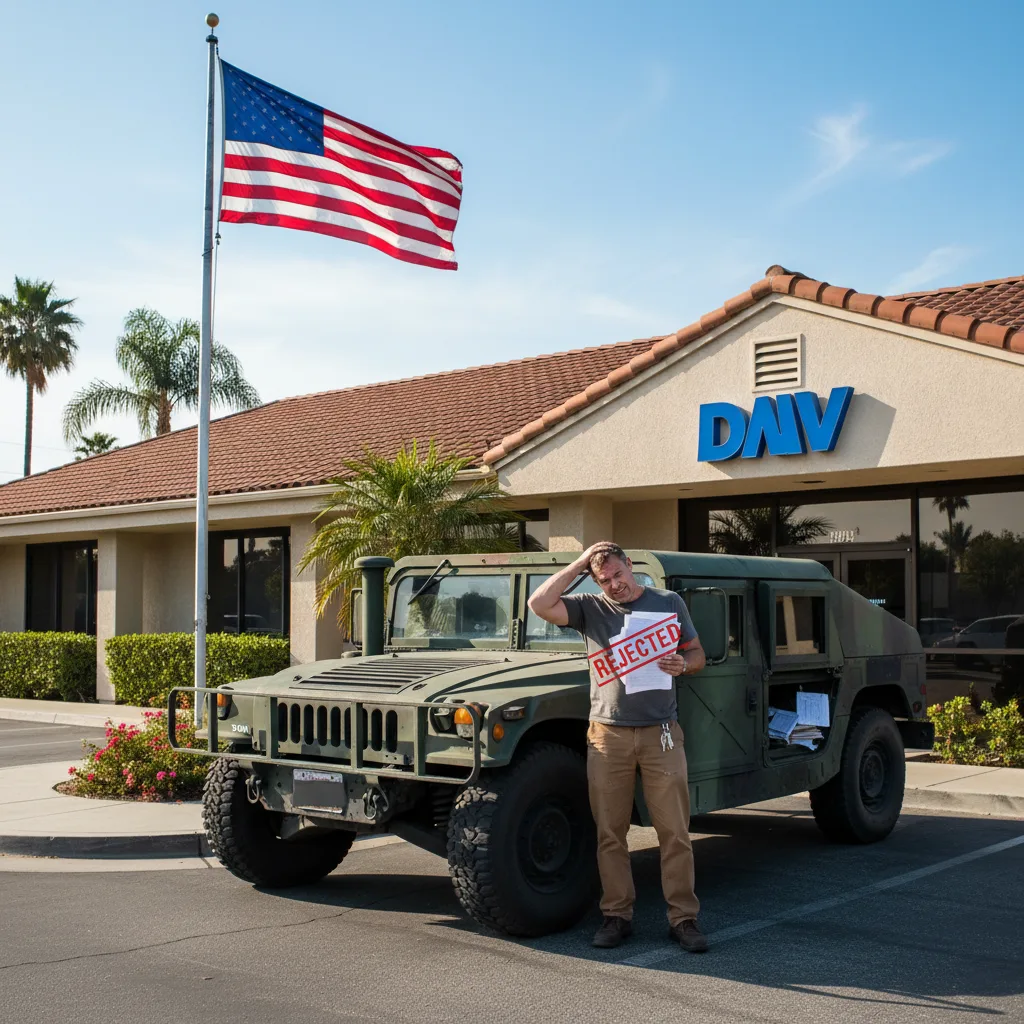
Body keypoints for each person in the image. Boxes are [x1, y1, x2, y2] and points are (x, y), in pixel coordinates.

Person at [528, 541, 708, 953]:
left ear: (631, 565)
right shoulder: (590, 607)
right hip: (607, 734)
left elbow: (697, 653)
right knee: (610, 832)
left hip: (661, 732)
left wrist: (685, 664)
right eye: (605, 579)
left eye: (618, 574)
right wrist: (579, 562)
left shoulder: (669, 602)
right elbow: (540, 603)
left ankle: (684, 919)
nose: (614, 584)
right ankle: (616, 916)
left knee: (675, 832)